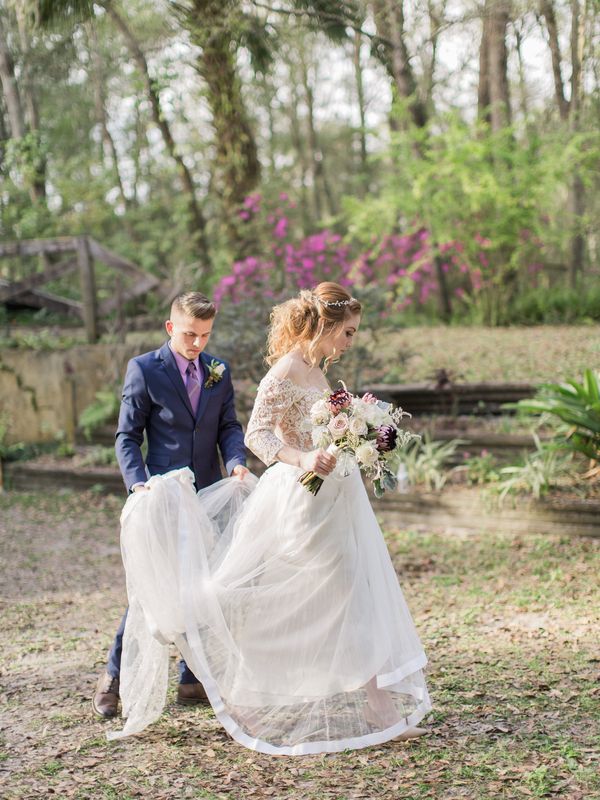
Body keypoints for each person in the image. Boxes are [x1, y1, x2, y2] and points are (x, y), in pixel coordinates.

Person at [107, 282, 431, 754]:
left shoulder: (315, 370)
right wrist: (303, 460)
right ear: (324, 325)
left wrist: (355, 443)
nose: (350, 342)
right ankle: (241, 686)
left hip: (334, 498)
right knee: (288, 599)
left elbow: (300, 432)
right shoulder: (283, 372)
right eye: (348, 332)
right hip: (300, 498)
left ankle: (377, 705)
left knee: (350, 592)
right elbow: (258, 434)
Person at [92, 291, 248, 719]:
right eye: (189, 334)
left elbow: (229, 425)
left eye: (205, 335)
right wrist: (137, 484)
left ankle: (191, 680)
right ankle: (113, 679)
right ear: (170, 327)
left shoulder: (219, 371)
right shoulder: (144, 369)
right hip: (160, 496)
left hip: (207, 495)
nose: (197, 343)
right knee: (150, 590)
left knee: (202, 584)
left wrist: (235, 462)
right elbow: (127, 436)